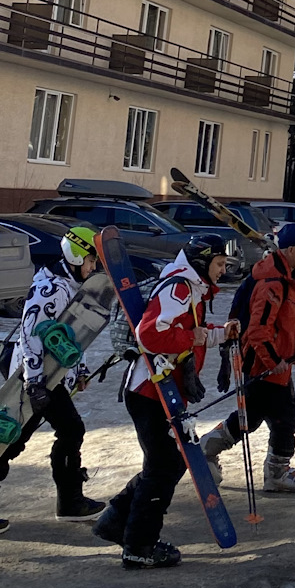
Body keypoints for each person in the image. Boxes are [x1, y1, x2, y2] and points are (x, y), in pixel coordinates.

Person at [0, 224, 106, 537]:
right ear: (76, 256)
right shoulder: (50, 287)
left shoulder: (69, 284)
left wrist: (78, 371)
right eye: (90, 261)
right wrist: (34, 383)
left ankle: (66, 502)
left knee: (55, 432)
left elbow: (73, 335)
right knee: (34, 437)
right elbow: (31, 334)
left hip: (50, 376)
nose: (93, 267)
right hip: (35, 377)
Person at [94, 239, 233, 569]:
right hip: (148, 391)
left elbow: (189, 332)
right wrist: (195, 337)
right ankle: (139, 545)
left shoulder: (190, 288)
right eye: (219, 263)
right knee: (163, 466)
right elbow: (150, 335)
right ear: (201, 263)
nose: (224, 270)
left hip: (160, 389)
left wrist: (222, 333)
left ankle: (117, 521)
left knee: (167, 463)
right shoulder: (180, 289)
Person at [201, 223, 295, 494]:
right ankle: (274, 472)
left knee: (256, 416)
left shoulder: (288, 277)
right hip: (264, 364)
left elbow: (294, 310)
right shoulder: (271, 283)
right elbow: (258, 331)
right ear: (291, 249)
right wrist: (274, 362)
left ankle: (209, 449)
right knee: (279, 418)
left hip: (275, 364)